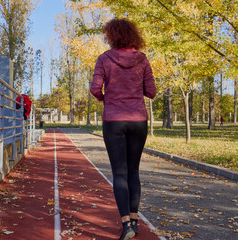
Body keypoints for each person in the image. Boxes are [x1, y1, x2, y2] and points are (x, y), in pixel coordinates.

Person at [90, 18, 156, 240]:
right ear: (132, 35)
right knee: (133, 171)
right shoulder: (143, 60)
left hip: (114, 120)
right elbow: (152, 92)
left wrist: (106, 98)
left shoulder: (104, 59)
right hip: (138, 120)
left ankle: (126, 224)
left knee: (119, 172)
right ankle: (135, 220)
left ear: (112, 36)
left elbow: (94, 88)